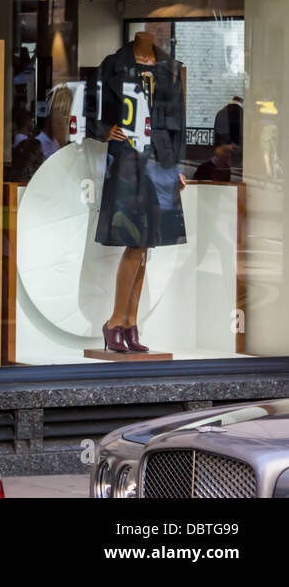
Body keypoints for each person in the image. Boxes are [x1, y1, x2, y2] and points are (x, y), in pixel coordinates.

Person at [87, 32, 186, 353]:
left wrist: (178, 166)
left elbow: (178, 122)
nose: (153, 33)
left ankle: (129, 322)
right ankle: (116, 321)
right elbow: (90, 105)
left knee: (147, 244)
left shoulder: (170, 68)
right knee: (138, 240)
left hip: (160, 157)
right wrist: (104, 130)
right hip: (128, 158)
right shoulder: (113, 66)